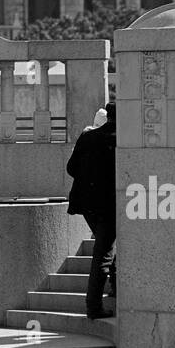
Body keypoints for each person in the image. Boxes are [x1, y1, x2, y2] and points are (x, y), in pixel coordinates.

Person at [65, 100, 117, 319]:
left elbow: (71, 168)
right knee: (103, 254)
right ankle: (93, 306)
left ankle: (116, 287)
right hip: (109, 206)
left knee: (107, 246)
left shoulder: (87, 137)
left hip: (87, 205)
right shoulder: (121, 140)